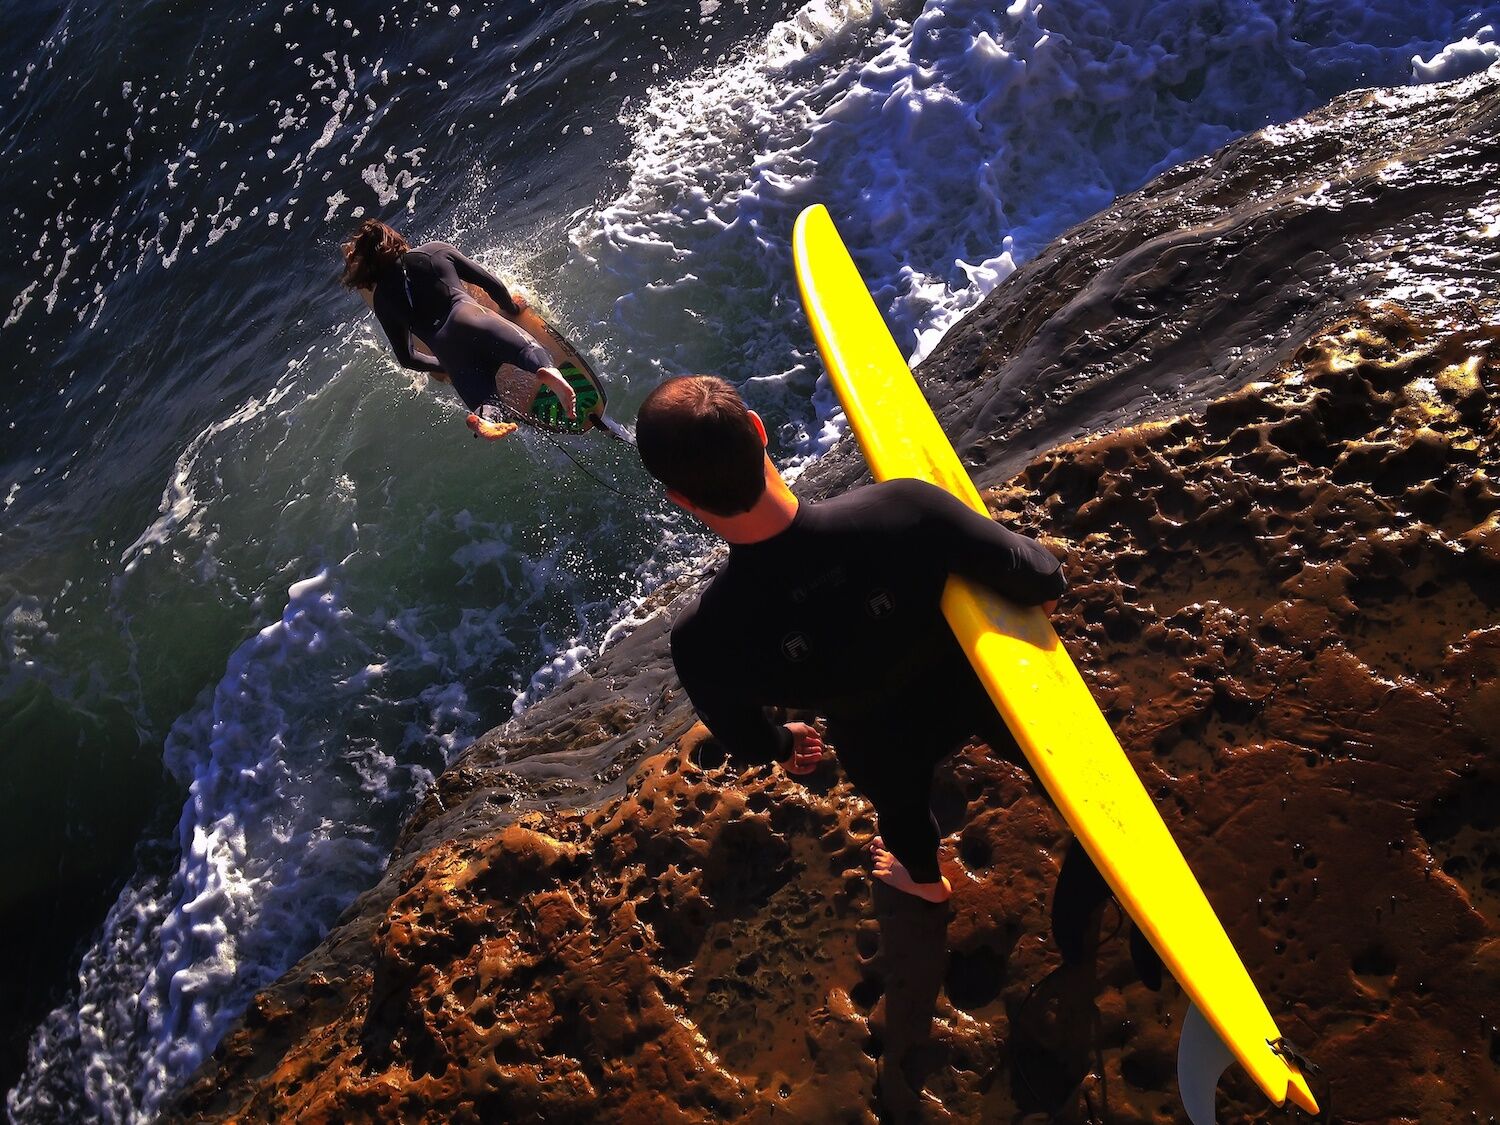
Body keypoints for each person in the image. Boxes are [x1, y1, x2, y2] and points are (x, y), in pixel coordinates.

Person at [635, 375, 1066, 903]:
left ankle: (925, 882)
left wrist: (786, 742)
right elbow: (1043, 577)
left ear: (679, 497)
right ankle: (1088, 820)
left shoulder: (703, 638)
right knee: (1038, 753)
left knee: (900, 807)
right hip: (978, 685)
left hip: (874, 738)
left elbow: (744, 737)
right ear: (757, 429)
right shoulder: (906, 508)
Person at [339, 219, 577, 439]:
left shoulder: (382, 300)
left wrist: (444, 366)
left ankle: (488, 420)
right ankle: (547, 371)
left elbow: (407, 358)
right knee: (526, 350)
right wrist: (511, 308)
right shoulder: (434, 251)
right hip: (471, 318)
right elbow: (490, 283)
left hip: (447, 350)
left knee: (487, 400)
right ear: (396, 239)